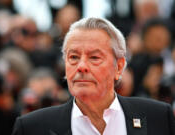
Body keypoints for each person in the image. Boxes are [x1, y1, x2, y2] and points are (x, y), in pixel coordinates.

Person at [12, 17, 175, 135]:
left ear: (118, 67)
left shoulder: (158, 117)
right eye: (74, 57)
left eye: (94, 57)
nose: (81, 67)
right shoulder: (31, 128)